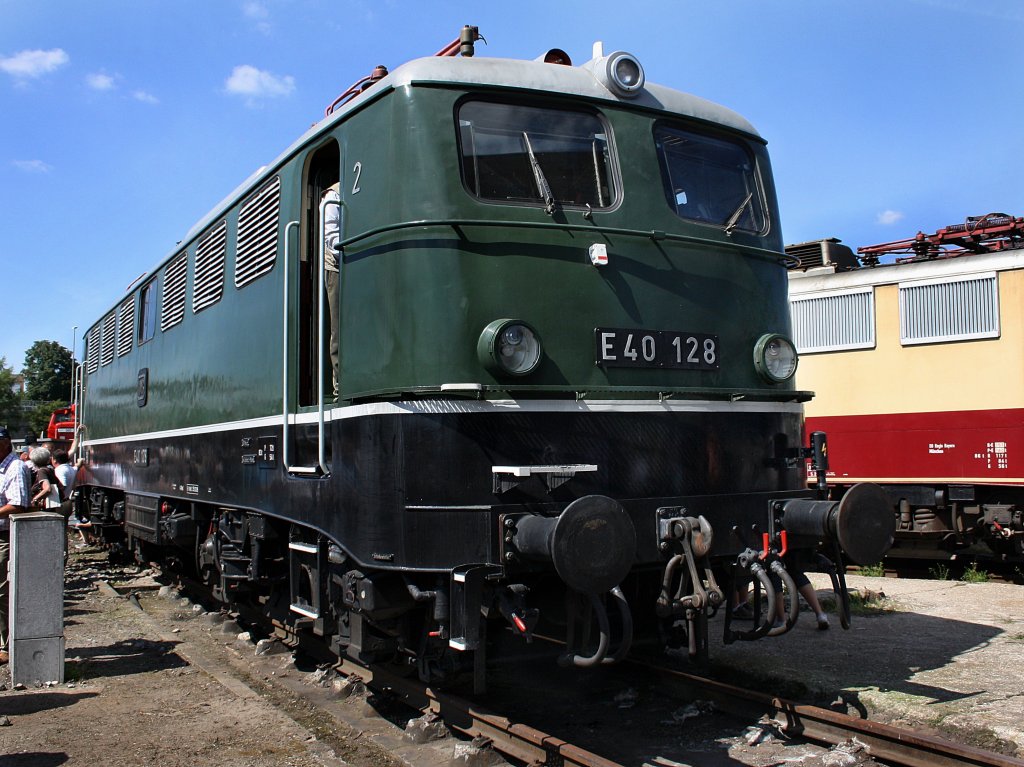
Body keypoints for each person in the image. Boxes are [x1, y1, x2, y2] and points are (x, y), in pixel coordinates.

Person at [0, 426, 32, 664]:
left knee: (3, 592)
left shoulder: (15, 467)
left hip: (5, 536)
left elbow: (19, 504)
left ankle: (7, 645)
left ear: (5, 443)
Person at [322, 181, 342, 398]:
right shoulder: (333, 196)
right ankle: (339, 386)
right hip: (336, 267)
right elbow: (332, 239)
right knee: (338, 328)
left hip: (352, 265)